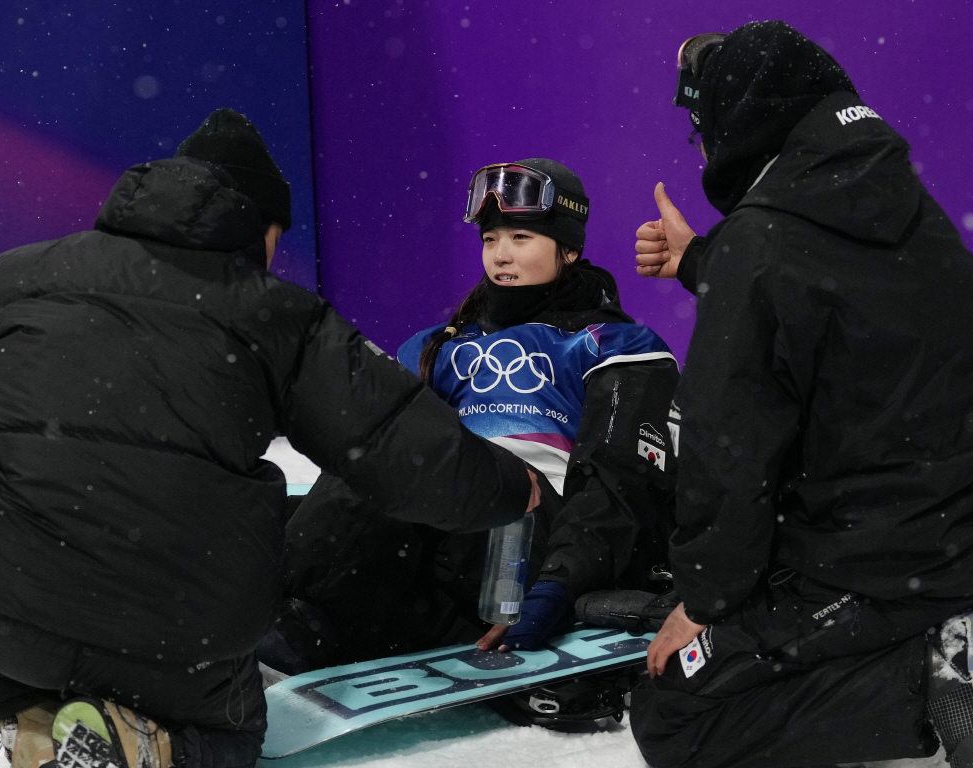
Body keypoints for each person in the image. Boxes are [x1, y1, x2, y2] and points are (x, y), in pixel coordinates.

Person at [0, 109, 538, 768]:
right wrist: (516, 487)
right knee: (232, 736)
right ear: (259, 227)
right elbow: (405, 455)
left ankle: (32, 717)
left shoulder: (16, 275)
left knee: (2, 550)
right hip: (168, 629)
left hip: (1, 616)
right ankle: (144, 754)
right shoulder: (276, 314)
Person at [627, 22, 973, 768]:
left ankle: (926, 683)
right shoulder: (901, 201)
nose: (698, 147)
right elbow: (824, 291)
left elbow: (727, 454)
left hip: (887, 568)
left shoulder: (762, 245)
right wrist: (703, 260)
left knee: (673, 712)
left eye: (701, 127)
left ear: (739, 124)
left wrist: (706, 599)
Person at [271, 159, 679, 698]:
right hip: (443, 538)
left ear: (569, 249)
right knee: (366, 461)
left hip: (536, 544)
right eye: (490, 239)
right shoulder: (435, 346)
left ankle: (293, 623)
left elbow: (620, 482)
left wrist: (561, 583)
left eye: (521, 237)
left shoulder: (617, 344)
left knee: (407, 465)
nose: (501, 254)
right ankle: (287, 616)